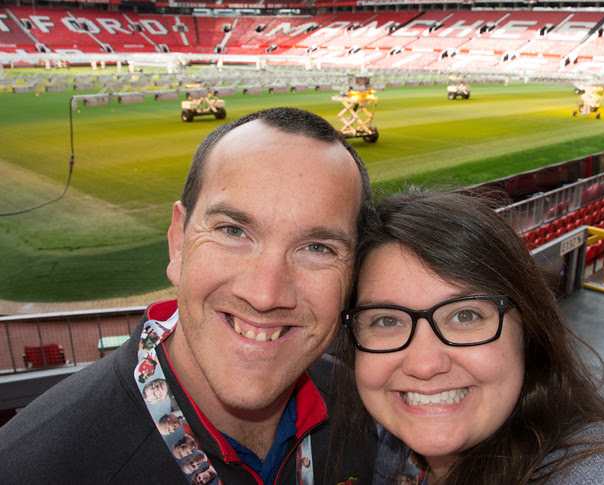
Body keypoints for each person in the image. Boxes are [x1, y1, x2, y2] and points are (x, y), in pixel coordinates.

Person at [0, 107, 379, 484]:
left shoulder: (364, 411)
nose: (265, 295)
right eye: (232, 231)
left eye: (317, 248)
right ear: (178, 242)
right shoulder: (31, 467)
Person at [338, 188, 604, 485]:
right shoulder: (383, 446)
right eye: (386, 321)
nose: (424, 364)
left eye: (466, 315)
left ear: (529, 330)